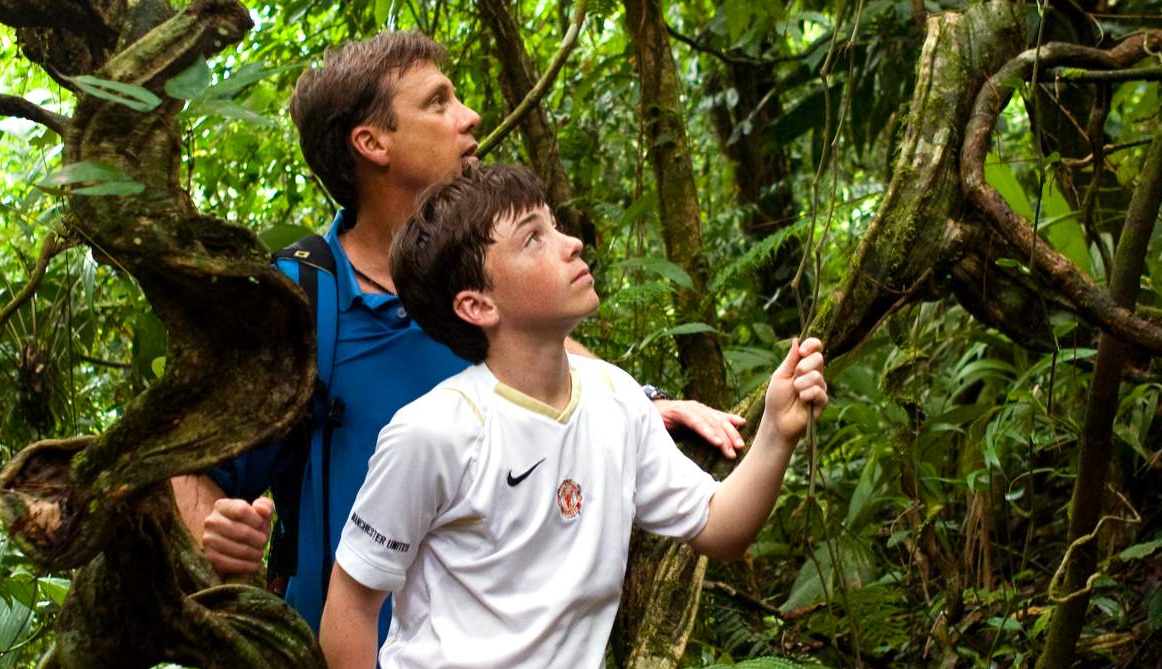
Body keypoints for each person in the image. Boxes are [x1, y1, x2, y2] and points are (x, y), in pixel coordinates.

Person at [171, 31, 752, 638]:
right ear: (372, 143)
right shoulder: (296, 295)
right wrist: (216, 536)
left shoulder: (483, 289)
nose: (469, 117)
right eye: (438, 102)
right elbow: (187, 466)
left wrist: (647, 400)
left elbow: (546, 356)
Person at [319, 163, 829, 668]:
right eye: (533, 238)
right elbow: (352, 604)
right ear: (477, 306)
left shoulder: (617, 398)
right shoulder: (434, 432)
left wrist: (776, 431)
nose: (570, 243)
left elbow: (718, 526)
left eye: (554, 225)